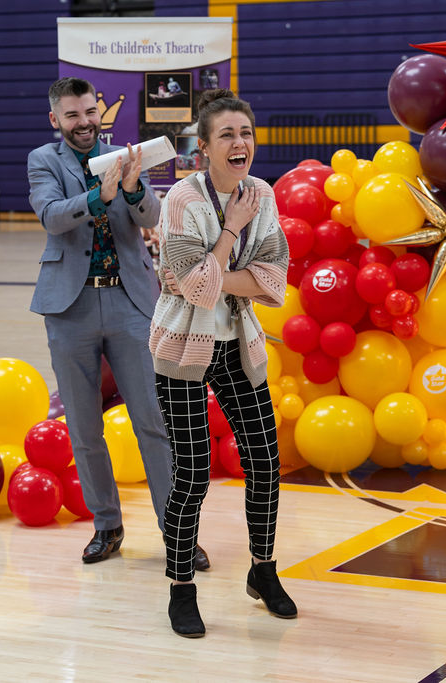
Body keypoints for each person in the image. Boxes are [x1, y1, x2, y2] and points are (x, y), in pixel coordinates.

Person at [27, 77, 209, 571]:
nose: (84, 122)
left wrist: (129, 189)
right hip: (71, 308)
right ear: (55, 120)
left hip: (131, 305)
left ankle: (180, 534)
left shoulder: (125, 157)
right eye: (72, 115)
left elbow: (152, 213)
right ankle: (107, 526)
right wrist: (94, 197)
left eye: (89, 113)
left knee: (153, 422)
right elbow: (49, 215)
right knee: (84, 429)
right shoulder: (44, 161)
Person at [148, 89, 294, 638]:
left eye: (246, 134)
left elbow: (274, 282)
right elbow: (196, 291)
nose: (241, 144)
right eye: (227, 135)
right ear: (203, 148)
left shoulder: (263, 191)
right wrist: (232, 231)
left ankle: (263, 570)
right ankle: (180, 588)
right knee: (191, 474)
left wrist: (215, 276)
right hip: (182, 348)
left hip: (237, 344)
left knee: (265, 461)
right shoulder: (183, 200)